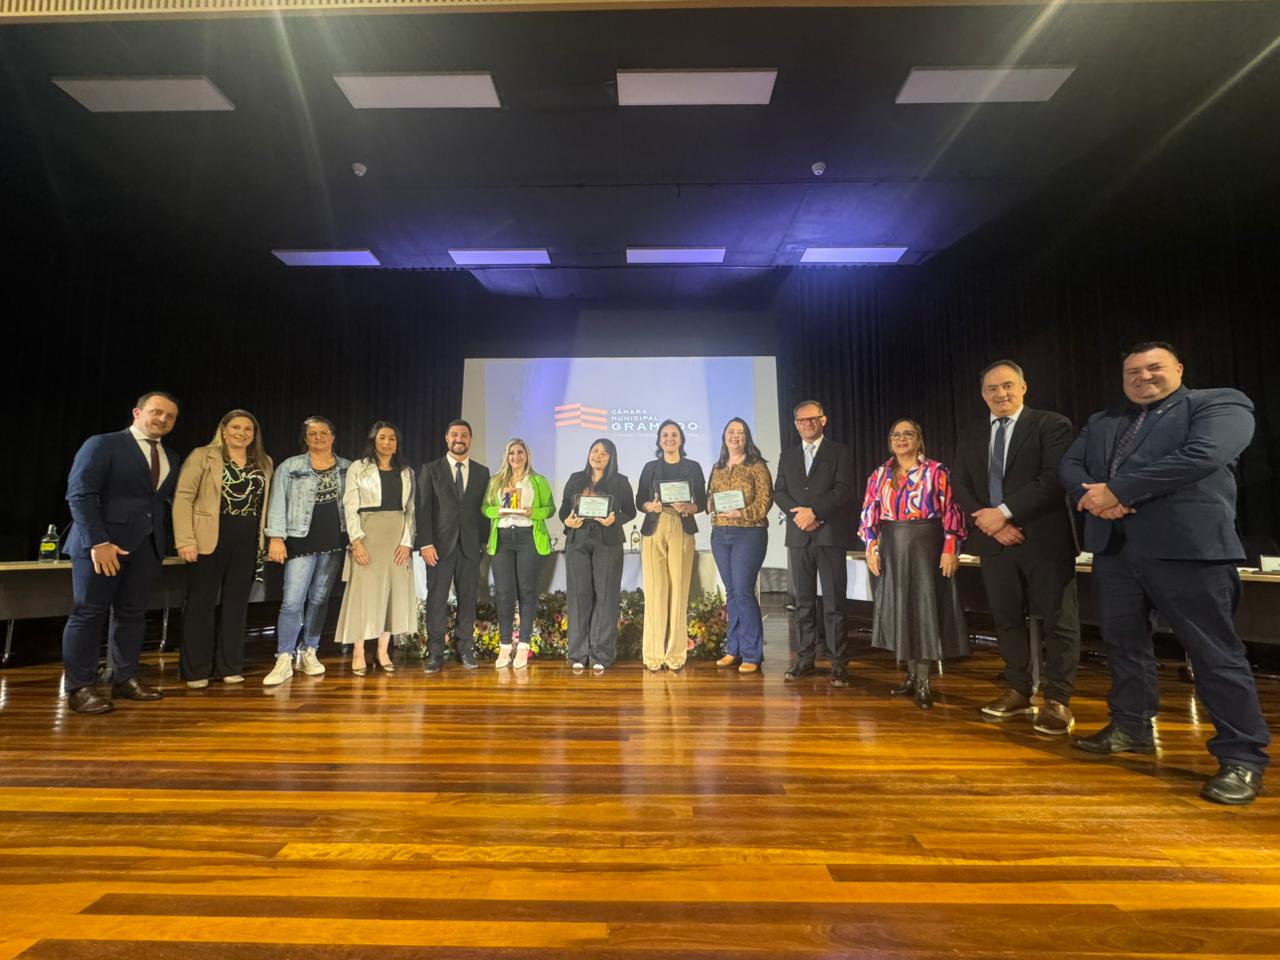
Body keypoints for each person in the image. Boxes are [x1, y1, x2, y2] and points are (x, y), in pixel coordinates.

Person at [1061, 341, 1270, 805]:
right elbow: (1071, 465)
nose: (1143, 377)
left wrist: (1116, 490)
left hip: (1188, 549)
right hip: (1116, 550)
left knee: (1214, 653)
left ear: (1177, 367)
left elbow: (1202, 455)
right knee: (1123, 645)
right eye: (1132, 371)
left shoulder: (1217, 403)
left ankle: (1242, 757)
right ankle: (1130, 727)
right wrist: (1095, 496)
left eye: (1154, 368)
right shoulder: (1103, 421)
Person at [951, 361, 1081, 734]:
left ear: (1024, 388)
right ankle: (1019, 690)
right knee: (1007, 620)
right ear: (983, 394)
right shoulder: (972, 432)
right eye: (992, 388)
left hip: (1043, 540)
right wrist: (988, 521)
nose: (1000, 394)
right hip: (995, 544)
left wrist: (1005, 514)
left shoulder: (1051, 425)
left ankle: (1057, 700)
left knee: (1059, 621)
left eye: (1008, 386)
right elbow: (960, 484)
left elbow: (1054, 478)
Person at [60, 391, 182, 714]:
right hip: (101, 547)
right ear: (137, 413)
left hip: (147, 548)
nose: (163, 420)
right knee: (88, 614)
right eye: (156, 412)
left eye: (170, 417)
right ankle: (80, 687)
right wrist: (98, 542)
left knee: (131, 614)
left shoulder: (171, 455)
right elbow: (80, 494)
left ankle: (124, 677)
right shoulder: (103, 444)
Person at [859, 419, 969, 708]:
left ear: (919, 439)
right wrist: (871, 549)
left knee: (924, 610)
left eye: (907, 434)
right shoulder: (880, 473)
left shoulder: (936, 470)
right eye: (896, 434)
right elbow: (869, 513)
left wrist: (949, 549)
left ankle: (923, 678)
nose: (901, 439)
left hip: (926, 546)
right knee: (899, 609)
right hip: (891, 546)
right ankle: (909, 675)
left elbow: (951, 513)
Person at [172, 409, 273, 689]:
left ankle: (229, 666)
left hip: (247, 542)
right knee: (201, 606)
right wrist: (185, 539)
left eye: (248, 429)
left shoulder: (264, 462)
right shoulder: (203, 455)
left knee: (236, 606)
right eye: (236, 428)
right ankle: (196, 670)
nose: (242, 433)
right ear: (224, 429)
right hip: (208, 540)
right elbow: (183, 498)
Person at [262, 416, 353, 686]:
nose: (319, 438)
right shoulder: (290, 467)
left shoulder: (348, 468)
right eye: (312, 434)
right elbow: (277, 502)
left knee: (319, 600)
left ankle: (309, 650)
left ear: (333, 436)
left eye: (323, 433)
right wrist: (275, 538)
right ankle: (284, 656)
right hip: (300, 542)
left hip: (334, 543)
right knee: (292, 601)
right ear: (306, 438)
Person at [773, 400, 855, 687]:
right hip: (798, 536)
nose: (807, 423)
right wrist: (799, 516)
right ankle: (805, 659)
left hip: (829, 534)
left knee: (833, 602)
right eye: (801, 420)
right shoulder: (788, 455)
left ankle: (838, 663)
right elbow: (779, 491)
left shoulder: (839, 451)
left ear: (824, 420)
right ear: (795, 424)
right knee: (803, 602)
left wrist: (815, 513)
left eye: (812, 419)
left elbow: (843, 489)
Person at [333, 421, 416, 676]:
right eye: (383, 437)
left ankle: (382, 651)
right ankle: (359, 651)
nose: (388, 442)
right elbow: (349, 505)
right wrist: (356, 540)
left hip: (396, 537)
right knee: (363, 595)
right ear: (374, 440)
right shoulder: (359, 467)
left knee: (393, 594)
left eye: (392, 438)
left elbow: (411, 509)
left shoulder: (406, 471)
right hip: (368, 534)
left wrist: (406, 541)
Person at [417, 419, 490, 674]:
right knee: (436, 600)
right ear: (446, 439)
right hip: (437, 548)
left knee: (468, 600)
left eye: (465, 435)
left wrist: (484, 541)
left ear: (470, 440)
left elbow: (483, 513)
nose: (460, 439)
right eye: (455, 435)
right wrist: (425, 543)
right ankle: (435, 653)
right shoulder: (430, 469)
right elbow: (423, 509)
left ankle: (465, 648)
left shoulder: (482, 472)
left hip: (469, 548)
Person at [635, 420, 707, 672]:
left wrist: (690, 507)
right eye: (665, 435)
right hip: (654, 528)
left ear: (681, 439)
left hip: (681, 526)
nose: (669, 438)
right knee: (655, 592)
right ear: (659, 440)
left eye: (674, 435)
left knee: (679, 592)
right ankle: (653, 654)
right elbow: (639, 501)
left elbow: (703, 502)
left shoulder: (693, 467)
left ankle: (676, 653)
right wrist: (648, 506)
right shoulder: (650, 467)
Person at [560, 439, 637, 673]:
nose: (598, 456)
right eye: (595, 451)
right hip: (578, 541)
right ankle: (577, 653)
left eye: (604, 453)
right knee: (578, 597)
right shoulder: (575, 479)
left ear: (611, 458)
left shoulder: (620, 482)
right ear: (588, 453)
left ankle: (601, 654)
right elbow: (565, 509)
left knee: (606, 598)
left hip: (608, 542)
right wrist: (567, 520)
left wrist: (615, 519)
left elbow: (630, 511)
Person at [707, 418, 773, 674]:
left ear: (747, 437)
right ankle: (732, 650)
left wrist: (742, 513)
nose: (735, 436)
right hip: (720, 534)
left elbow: (765, 501)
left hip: (749, 534)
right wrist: (710, 503)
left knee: (744, 592)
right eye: (731, 431)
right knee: (732, 592)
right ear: (724, 436)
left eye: (741, 432)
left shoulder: (756, 466)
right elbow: (710, 497)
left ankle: (752, 654)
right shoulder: (718, 467)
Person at [482, 439, 556, 670]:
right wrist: (499, 511)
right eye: (512, 453)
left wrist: (533, 512)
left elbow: (550, 508)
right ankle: (505, 646)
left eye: (520, 452)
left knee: (527, 591)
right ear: (506, 456)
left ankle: (523, 645)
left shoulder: (538, 481)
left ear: (527, 455)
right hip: (503, 539)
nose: (516, 456)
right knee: (504, 593)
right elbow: (485, 508)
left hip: (528, 538)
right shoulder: (496, 482)